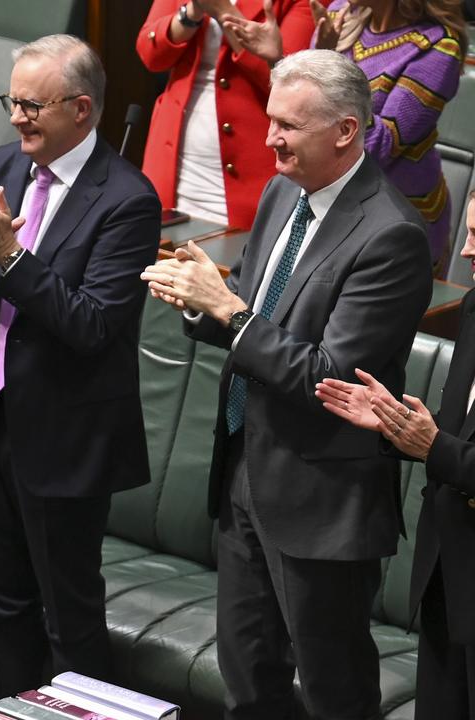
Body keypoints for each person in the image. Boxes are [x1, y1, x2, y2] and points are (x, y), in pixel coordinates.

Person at [141, 49, 432, 719]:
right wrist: (198, 299)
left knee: (333, 692)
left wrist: (229, 311)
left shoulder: (391, 237)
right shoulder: (282, 193)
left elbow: (328, 374)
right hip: (245, 467)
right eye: (271, 121)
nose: (269, 138)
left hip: (322, 498)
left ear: (345, 132)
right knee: (248, 682)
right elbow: (247, 298)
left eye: (288, 126)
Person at [0, 35, 162, 699]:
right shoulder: (6, 163)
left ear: (82, 110)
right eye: (13, 101)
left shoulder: (126, 200)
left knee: (70, 619)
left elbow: (91, 325)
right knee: (1, 604)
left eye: (32, 105)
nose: (15, 117)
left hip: (65, 442)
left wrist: (9, 255)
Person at [314, 189, 475, 718]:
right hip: (448, 574)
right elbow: (451, 436)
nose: (466, 251)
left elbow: (446, 449)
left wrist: (435, 447)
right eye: (468, 232)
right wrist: (395, 426)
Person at [224, 0, 466, 268]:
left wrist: (329, 58)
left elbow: (376, 146)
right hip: (325, 200)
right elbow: (309, 109)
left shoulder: (437, 47)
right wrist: (278, 60)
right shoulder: (339, 13)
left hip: (395, 218)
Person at [138, 0, 314, 228]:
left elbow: (294, 87)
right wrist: (191, 13)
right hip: (173, 161)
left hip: (251, 171)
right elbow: (150, 54)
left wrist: (222, 11)